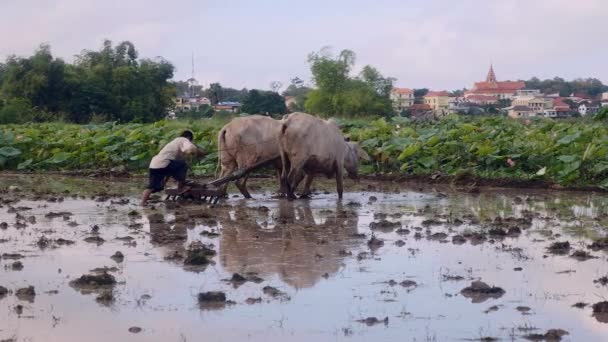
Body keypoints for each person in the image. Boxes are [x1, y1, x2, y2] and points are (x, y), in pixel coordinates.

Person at [141, 130, 203, 205]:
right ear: (189, 137)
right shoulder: (183, 139)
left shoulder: (174, 142)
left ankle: (143, 202)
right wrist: (198, 152)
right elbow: (190, 149)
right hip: (164, 162)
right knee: (183, 165)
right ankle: (180, 188)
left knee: (154, 186)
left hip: (155, 164)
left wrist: (165, 180)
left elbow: (174, 164)